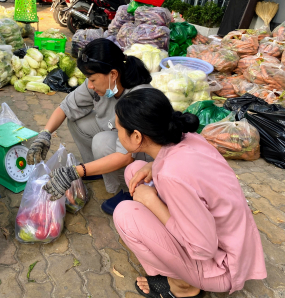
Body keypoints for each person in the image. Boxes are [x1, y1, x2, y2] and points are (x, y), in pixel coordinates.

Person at [108, 88, 266, 297]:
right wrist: (154, 165)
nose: (116, 133)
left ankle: (183, 286)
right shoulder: (189, 138)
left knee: (125, 214)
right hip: (230, 241)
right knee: (135, 170)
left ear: (137, 136)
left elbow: (203, 248)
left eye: (118, 129)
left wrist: (153, 202)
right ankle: (183, 274)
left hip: (223, 266)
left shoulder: (172, 176)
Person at [26, 38, 153, 214]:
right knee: (77, 120)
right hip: (115, 132)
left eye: (92, 79)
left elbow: (125, 156)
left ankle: (130, 190)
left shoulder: (137, 98)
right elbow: (65, 107)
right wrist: (45, 134)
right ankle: (98, 168)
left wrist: (74, 172)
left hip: (143, 158)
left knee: (101, 142)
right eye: (88, 79)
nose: (90, 85)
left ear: (114, 74)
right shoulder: (100, 82)